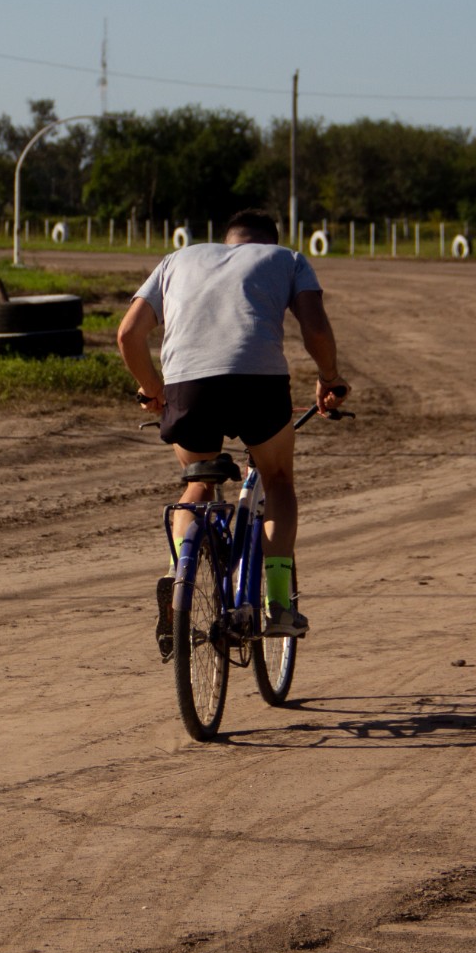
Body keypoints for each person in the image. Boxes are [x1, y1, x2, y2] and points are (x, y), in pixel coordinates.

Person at [117, 209, 348, 653]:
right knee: (278, 479)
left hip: (188, 388)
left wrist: (153, 389)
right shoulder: (287, 258)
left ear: (227, 240)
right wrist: (330, 378)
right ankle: (278, 602)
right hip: (259, 388)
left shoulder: (177, 260)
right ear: (267, 240)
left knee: (197, 482)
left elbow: (128, 334)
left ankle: (177, 575)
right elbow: (314, 328)